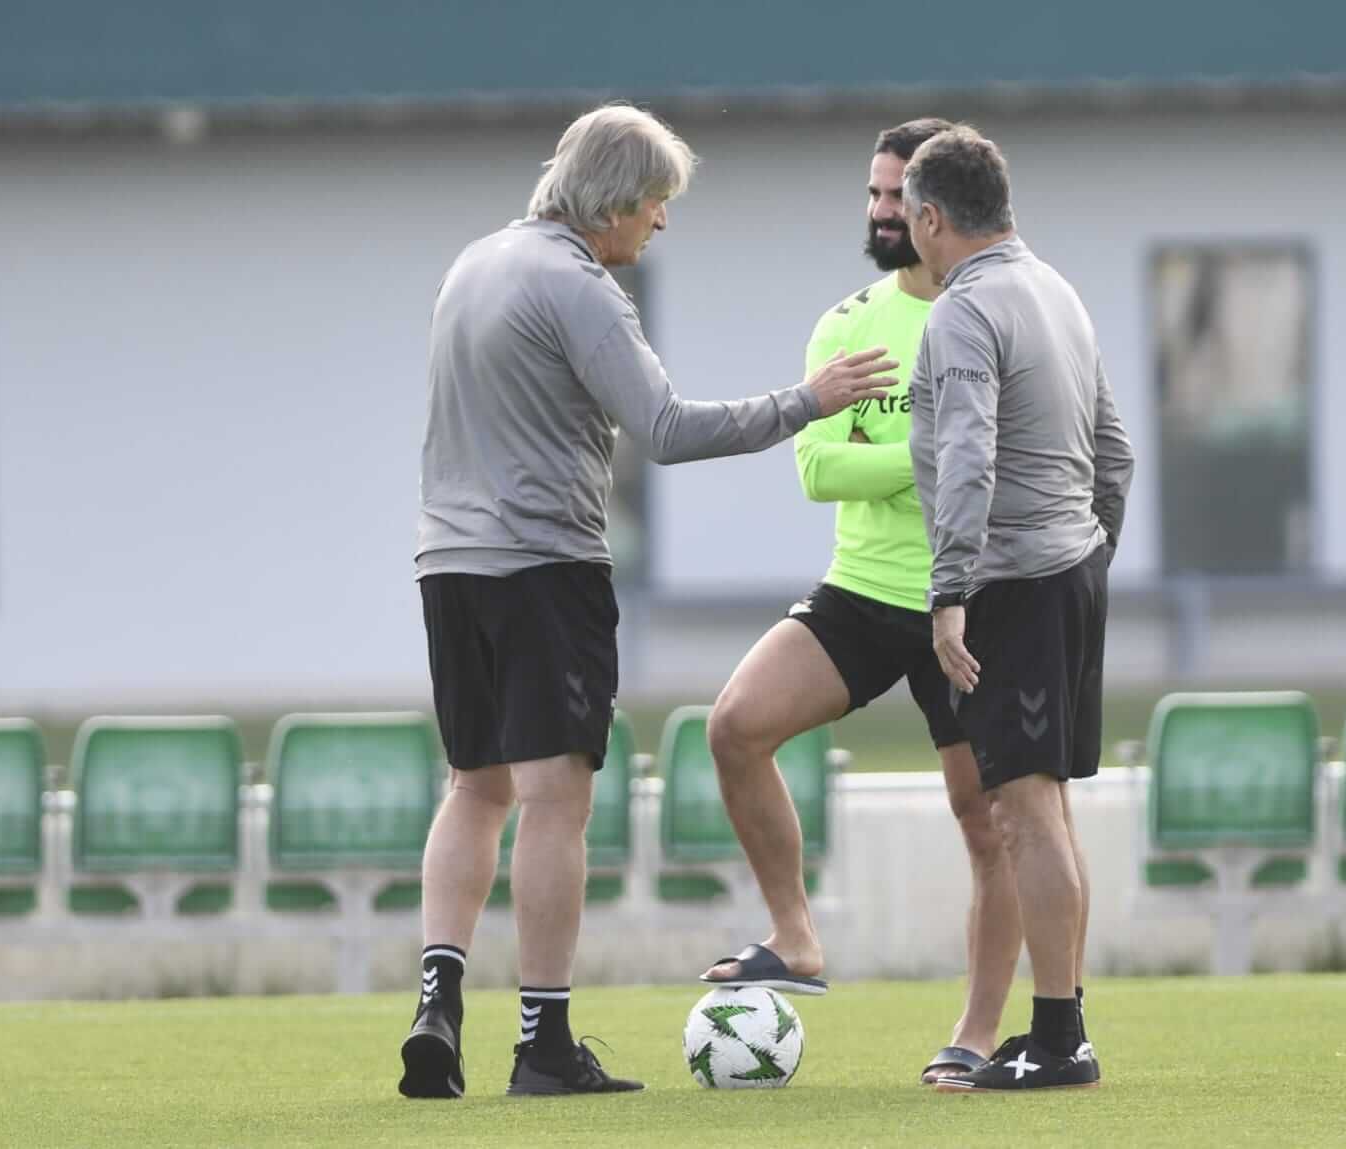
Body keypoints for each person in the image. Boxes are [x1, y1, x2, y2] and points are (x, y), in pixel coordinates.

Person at [401, 103, 898, 1100]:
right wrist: (809, 400)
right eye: (656, 204)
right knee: (554, 802)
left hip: (447, 565)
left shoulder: (475, 263)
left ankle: (438, 1002)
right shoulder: (577, 287)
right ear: (616, 200)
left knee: (474, 786)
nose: (660, 224)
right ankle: (543, 1042)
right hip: (545, 568)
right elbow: (666, 429)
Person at [699, 118, 1027, 1084]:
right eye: (873, 196)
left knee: (987, 819)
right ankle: (795, 937)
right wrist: (924, 454)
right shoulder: (845, 322)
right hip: (862, 593)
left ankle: (974, 1033)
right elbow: (817, 469)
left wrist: (898, 462)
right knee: (734, 726)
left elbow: (999, 465)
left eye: (896, 198)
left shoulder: (986, 314)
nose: (881, 214)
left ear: (935, 211)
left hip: (965, 601)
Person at [903, 126, 1134, 1093]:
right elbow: (1112, 448)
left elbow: (967, 459)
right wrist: (1090, 554)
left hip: (1016, 580)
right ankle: (1057, 1026)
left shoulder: (965, 312)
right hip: (1070, 569)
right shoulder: (1058, 291)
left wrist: (950, 589)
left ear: (929, 218)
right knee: (1047, 805)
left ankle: (1059, 1040)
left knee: (1022, 809)